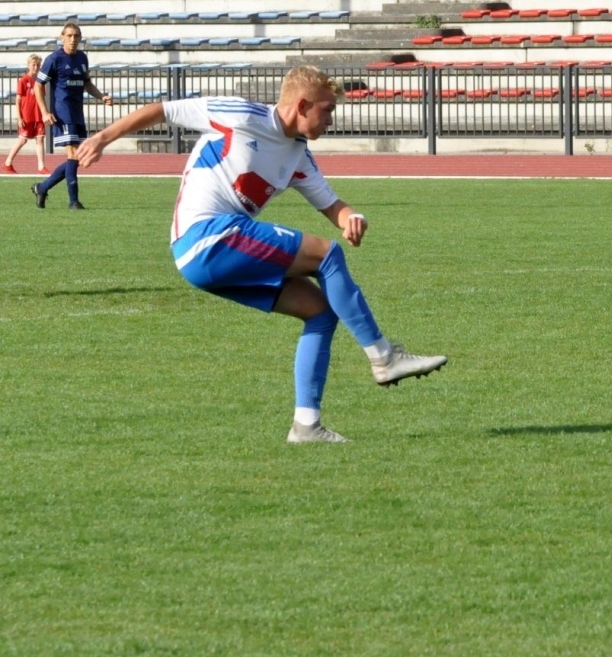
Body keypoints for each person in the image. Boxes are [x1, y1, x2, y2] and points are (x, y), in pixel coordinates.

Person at [75, 65, 447, 443]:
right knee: (327, 256)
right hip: (207, 236)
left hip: (203, 257)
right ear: (302, 105)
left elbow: (331, 204)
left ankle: (307, 426)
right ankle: (385, 358)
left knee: (320, 312)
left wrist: (352, 216)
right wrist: (103, 138)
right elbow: (163, 110)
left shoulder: (298, 154)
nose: (331, 120)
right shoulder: (240, 116)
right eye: (327, 110)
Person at [32, 23, 112, 209]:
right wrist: (44, 112)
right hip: (62, 112)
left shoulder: (82, 58)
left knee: (77, 158)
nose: (73, 39)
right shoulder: (54, 59)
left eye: (76, 36)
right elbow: (38, 85)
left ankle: (42, 188)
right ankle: (73, 201)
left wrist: (101, 96)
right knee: (74, 155)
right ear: (62, 37)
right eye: (69, 35)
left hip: (77, 113)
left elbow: (87, 83)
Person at [5, 54, 47, 174]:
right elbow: (18, 100)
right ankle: (8, 162)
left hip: (38, 115)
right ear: (28, 65)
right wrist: (19, 117)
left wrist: (45, 112)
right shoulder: (23, 80)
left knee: (40, 139)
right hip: (27, 115)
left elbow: (42, 98)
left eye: (38, 65)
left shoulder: (40, 81)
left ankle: (41, 167)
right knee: (23, 140)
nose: (36, 67)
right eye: (33, 65)